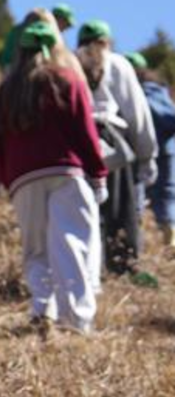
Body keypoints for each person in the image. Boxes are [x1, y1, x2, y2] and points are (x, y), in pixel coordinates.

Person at [0, 21, 107, 332]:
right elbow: (85, 130)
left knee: (36, 249)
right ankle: (77, 320)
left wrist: (8, 179)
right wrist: (98, 173)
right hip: (66, 171)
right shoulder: (68, 79)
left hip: (23, 177)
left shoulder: (7, 89)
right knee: (71, 244)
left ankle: (43, 310)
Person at [75, 20, 158, 275]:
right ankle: (122, 266)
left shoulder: (71, 62)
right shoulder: (119, 64)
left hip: (80, 141)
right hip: (114, 144)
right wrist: (147, 156)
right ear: (107, 41)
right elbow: (137, 112)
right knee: (120, 211)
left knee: (83, 209)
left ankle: (86, 270)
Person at [130, 53, 175, 248]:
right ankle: (169, 245)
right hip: (165, 151)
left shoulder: (140, 92)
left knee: (138, 199)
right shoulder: (159, 91)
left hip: (143, 153)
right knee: (166, 197)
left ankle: (138, 246)